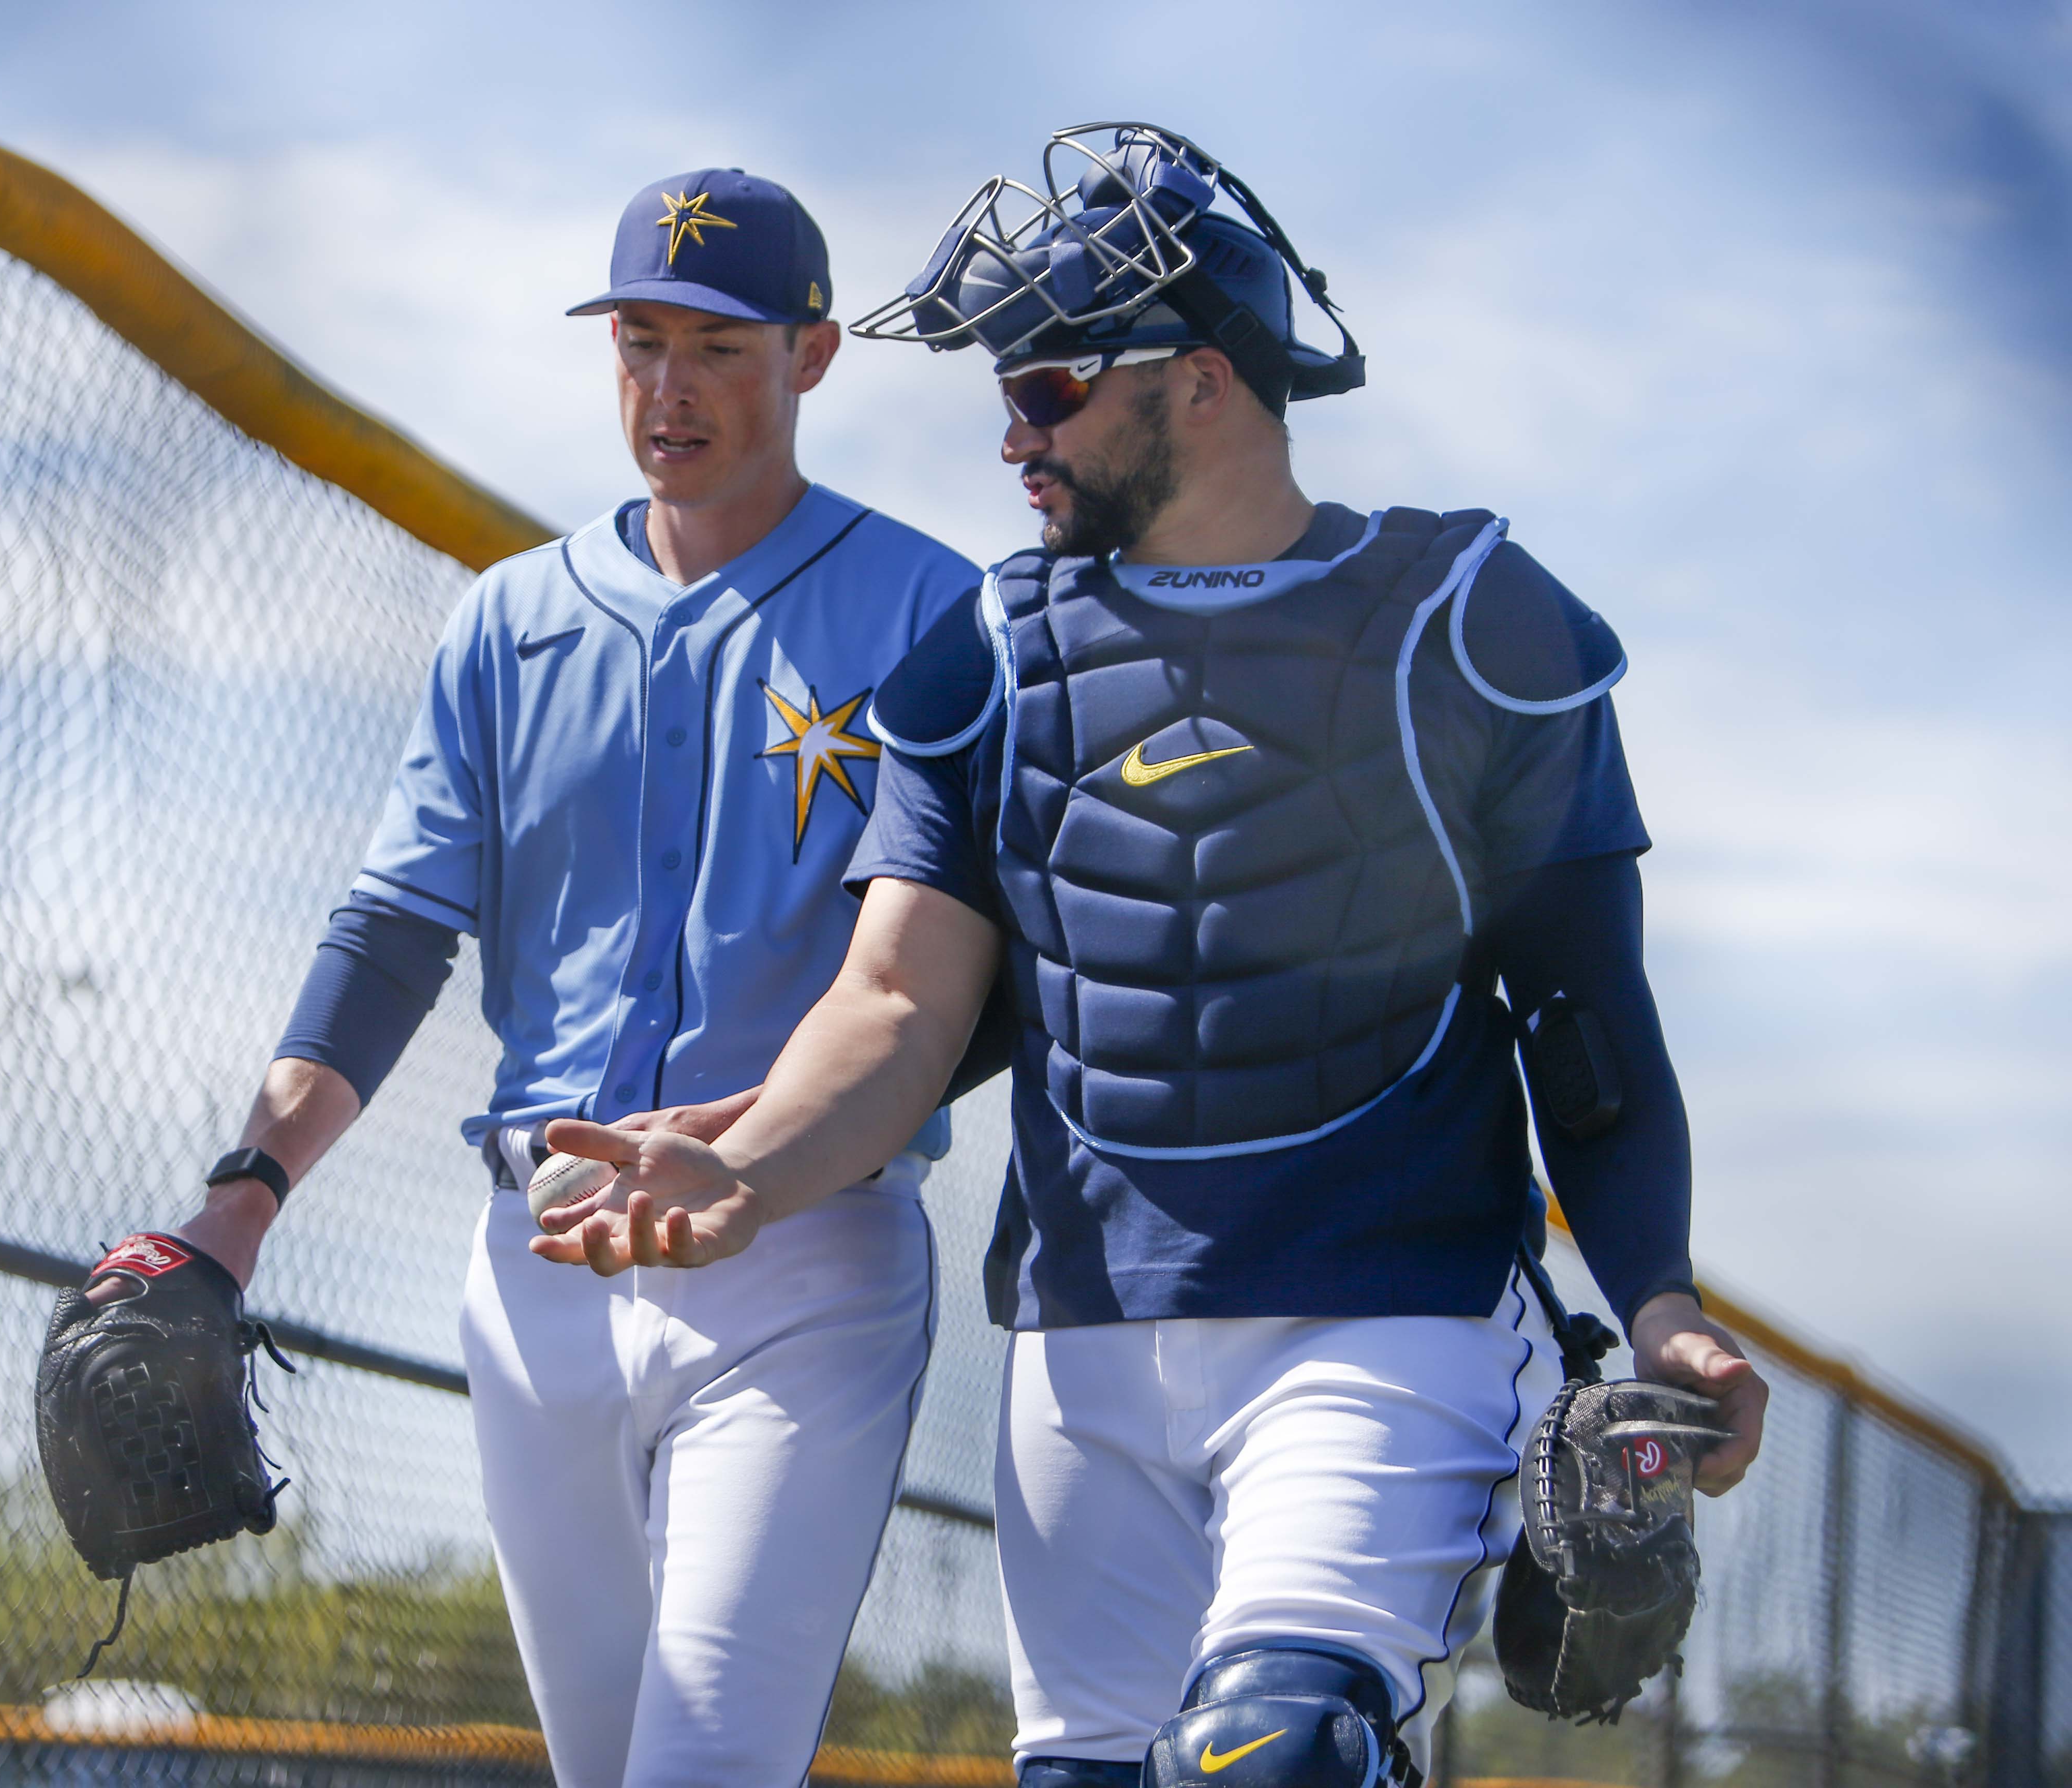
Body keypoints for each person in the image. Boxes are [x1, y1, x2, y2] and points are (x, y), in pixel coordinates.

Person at [532, 125, 1769, 1787]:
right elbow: (897, 1003)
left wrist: (1663, 1300)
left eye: (1045, 389)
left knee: (1275, 1752)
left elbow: (1586, 1012)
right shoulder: (988, 649)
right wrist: (745, 1167)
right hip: (1080, 1342)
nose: (1008, 437)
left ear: (1199, 383)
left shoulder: (1471, 616)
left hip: (1381, 1322)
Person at [83, 168, 979, 1786]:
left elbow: (948, 976)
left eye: (717, 345)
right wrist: (244, 1195)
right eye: (639, 341)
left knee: (702, 1761)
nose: (669, 387)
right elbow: (391, 932)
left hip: (795, 1244)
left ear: (815, 356)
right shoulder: (506, 622)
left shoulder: (927, 611)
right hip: (539, 1248)